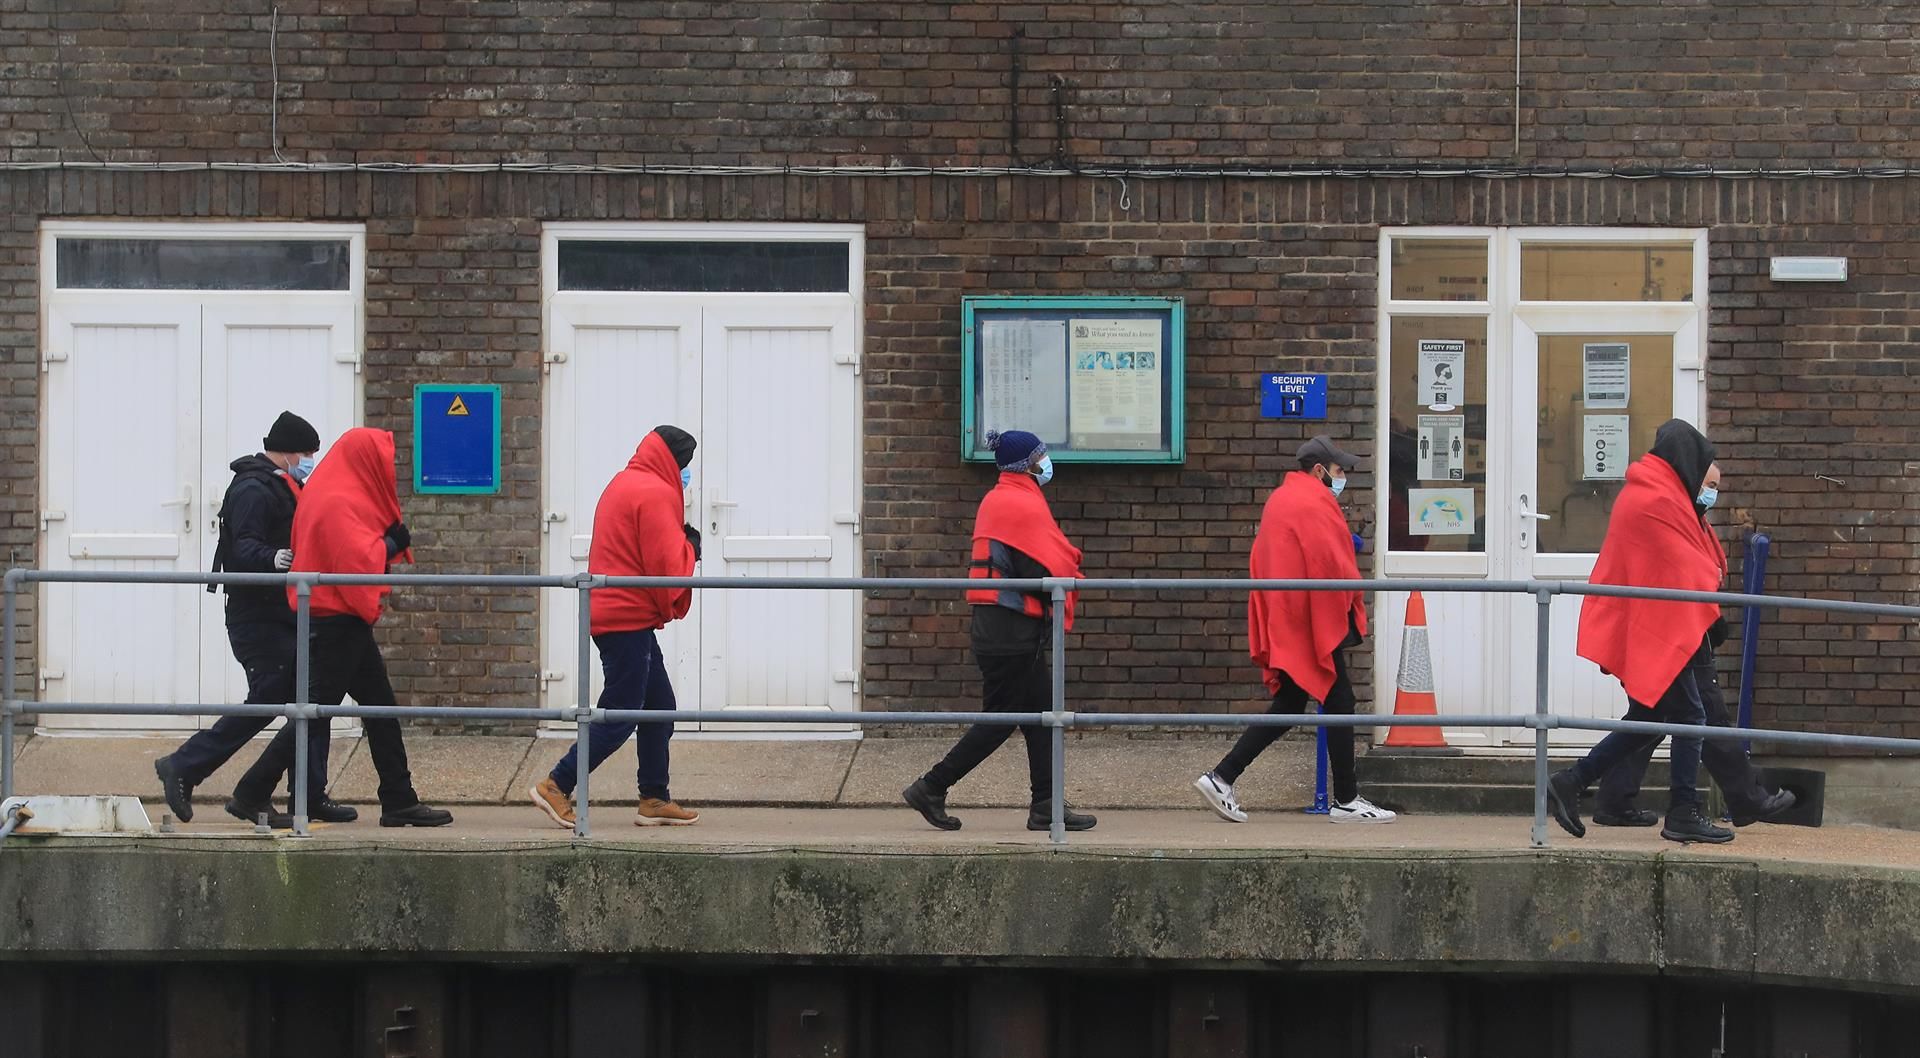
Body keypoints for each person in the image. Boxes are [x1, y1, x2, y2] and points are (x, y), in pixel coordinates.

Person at [1546, 420, 1781, 845]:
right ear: (1688, 465)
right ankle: (1683, 812)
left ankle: (1573, 780)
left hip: (1660, 623)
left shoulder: (1659, 495)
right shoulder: (1653, 499)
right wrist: (1707, 600)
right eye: (1708, 481)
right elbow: (1684, 567)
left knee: (1652, 716)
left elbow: (1682, 562)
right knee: (1691, 716)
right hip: (1656, 627)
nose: (1710, 492)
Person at [227, 427, 452, 828]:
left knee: (378, 708)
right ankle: (251, 791)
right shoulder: (336, 499)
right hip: (336, 620)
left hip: (339, 619)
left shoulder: (332, 491)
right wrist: (388, 545)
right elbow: (352, 561)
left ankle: (398, 797)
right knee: (313, 714)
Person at [152, 412, 353, 826]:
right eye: (307, 452)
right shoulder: (254, 489)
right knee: (273, 697)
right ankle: (185, 766)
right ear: (287, 451)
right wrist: (274, 558)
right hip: (257, 617)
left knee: (313, 698)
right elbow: (242, 549)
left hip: (282, 613)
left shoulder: (285, 486)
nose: (310, 459)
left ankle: (308, 794)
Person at [1194, 435, 1397, 824]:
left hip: (1289, 615)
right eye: (1339, 471)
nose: (1343, 479)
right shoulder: (1313, 500)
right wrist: (1348, 549)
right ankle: (1346, 800)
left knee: (1292, 703)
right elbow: (1328, 558)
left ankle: (1222, 777)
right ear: (1319, 470)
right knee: (1339, 701)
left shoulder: (1283, 498)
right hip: (1308, 618)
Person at [902, 429, 1095, 832]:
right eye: (1041, 456)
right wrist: (1067, 572)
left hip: (1001, 629)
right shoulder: (1016, 503)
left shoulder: (1002, 497)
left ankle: (1046, 804)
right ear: (1027, 462)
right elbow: (1040, 565)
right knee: (1001, 719)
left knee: (1043, 716)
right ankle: (932, 786)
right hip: (1011, 633)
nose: (1046, 463)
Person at [530, 426, 703, 829]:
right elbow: (663, 567)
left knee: (658, 707)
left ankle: (654, 798)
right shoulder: (655, 493)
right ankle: (557, 784)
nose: (685, 475)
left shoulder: (624, 483)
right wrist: (692, 548)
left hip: (618, 615)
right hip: (627, 618)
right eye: (685, 466)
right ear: (673, 462)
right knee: (622, 714)